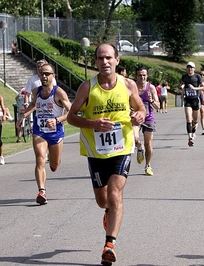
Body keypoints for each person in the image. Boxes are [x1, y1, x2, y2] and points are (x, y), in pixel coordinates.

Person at [66, 43, 145, 266]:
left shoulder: (128, 85)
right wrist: (92, 123)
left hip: (122, 149)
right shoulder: (86, 88)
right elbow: (71, 117)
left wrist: (139, 115)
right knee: (103, 201)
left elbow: (141, 108)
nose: (105, 62)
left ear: (117, 60)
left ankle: (109, 245)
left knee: (114, 194)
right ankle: (109, 213)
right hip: (96, 152)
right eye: (100, 58)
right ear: (96, 62)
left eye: (109, 57)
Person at [16, 63, 71, 205]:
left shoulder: (59, 93)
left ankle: (54, 164)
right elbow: (33, 104)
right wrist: (23, 116)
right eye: (42, 74)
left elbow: (71, 113)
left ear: (53, 76)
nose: (44, 76)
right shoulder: (36, 91)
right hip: (39, 131)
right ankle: (41, 191)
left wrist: (57, 120)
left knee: (54, 164)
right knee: (40, 158)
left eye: (47, 74)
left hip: (56, 133)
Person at [135, 67, 160, 176]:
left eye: (144, 75)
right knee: (135, 138)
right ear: (137, 76)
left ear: (147, 76)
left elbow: (158, 106)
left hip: (148, 118)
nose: (142, 77)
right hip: (135, 118)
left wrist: (151, 100)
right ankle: (139, 148)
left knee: (148, 143)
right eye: (140, 75)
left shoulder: (151, 88)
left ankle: (148, 165)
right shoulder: (132, 87)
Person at [180, 62, 204, 147]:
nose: (190, 69)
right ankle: (190, 138)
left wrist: (195, 88)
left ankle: (193, 131)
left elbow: (203, 87)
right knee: (188, 118)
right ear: (186, 68)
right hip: (187, 100)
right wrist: (182, 92)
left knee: (195, 121)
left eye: (191, 68)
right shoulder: (184, 77)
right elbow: (183, 85)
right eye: (188, 67)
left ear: (194, 69)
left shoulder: (197, 76)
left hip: (195, 100)